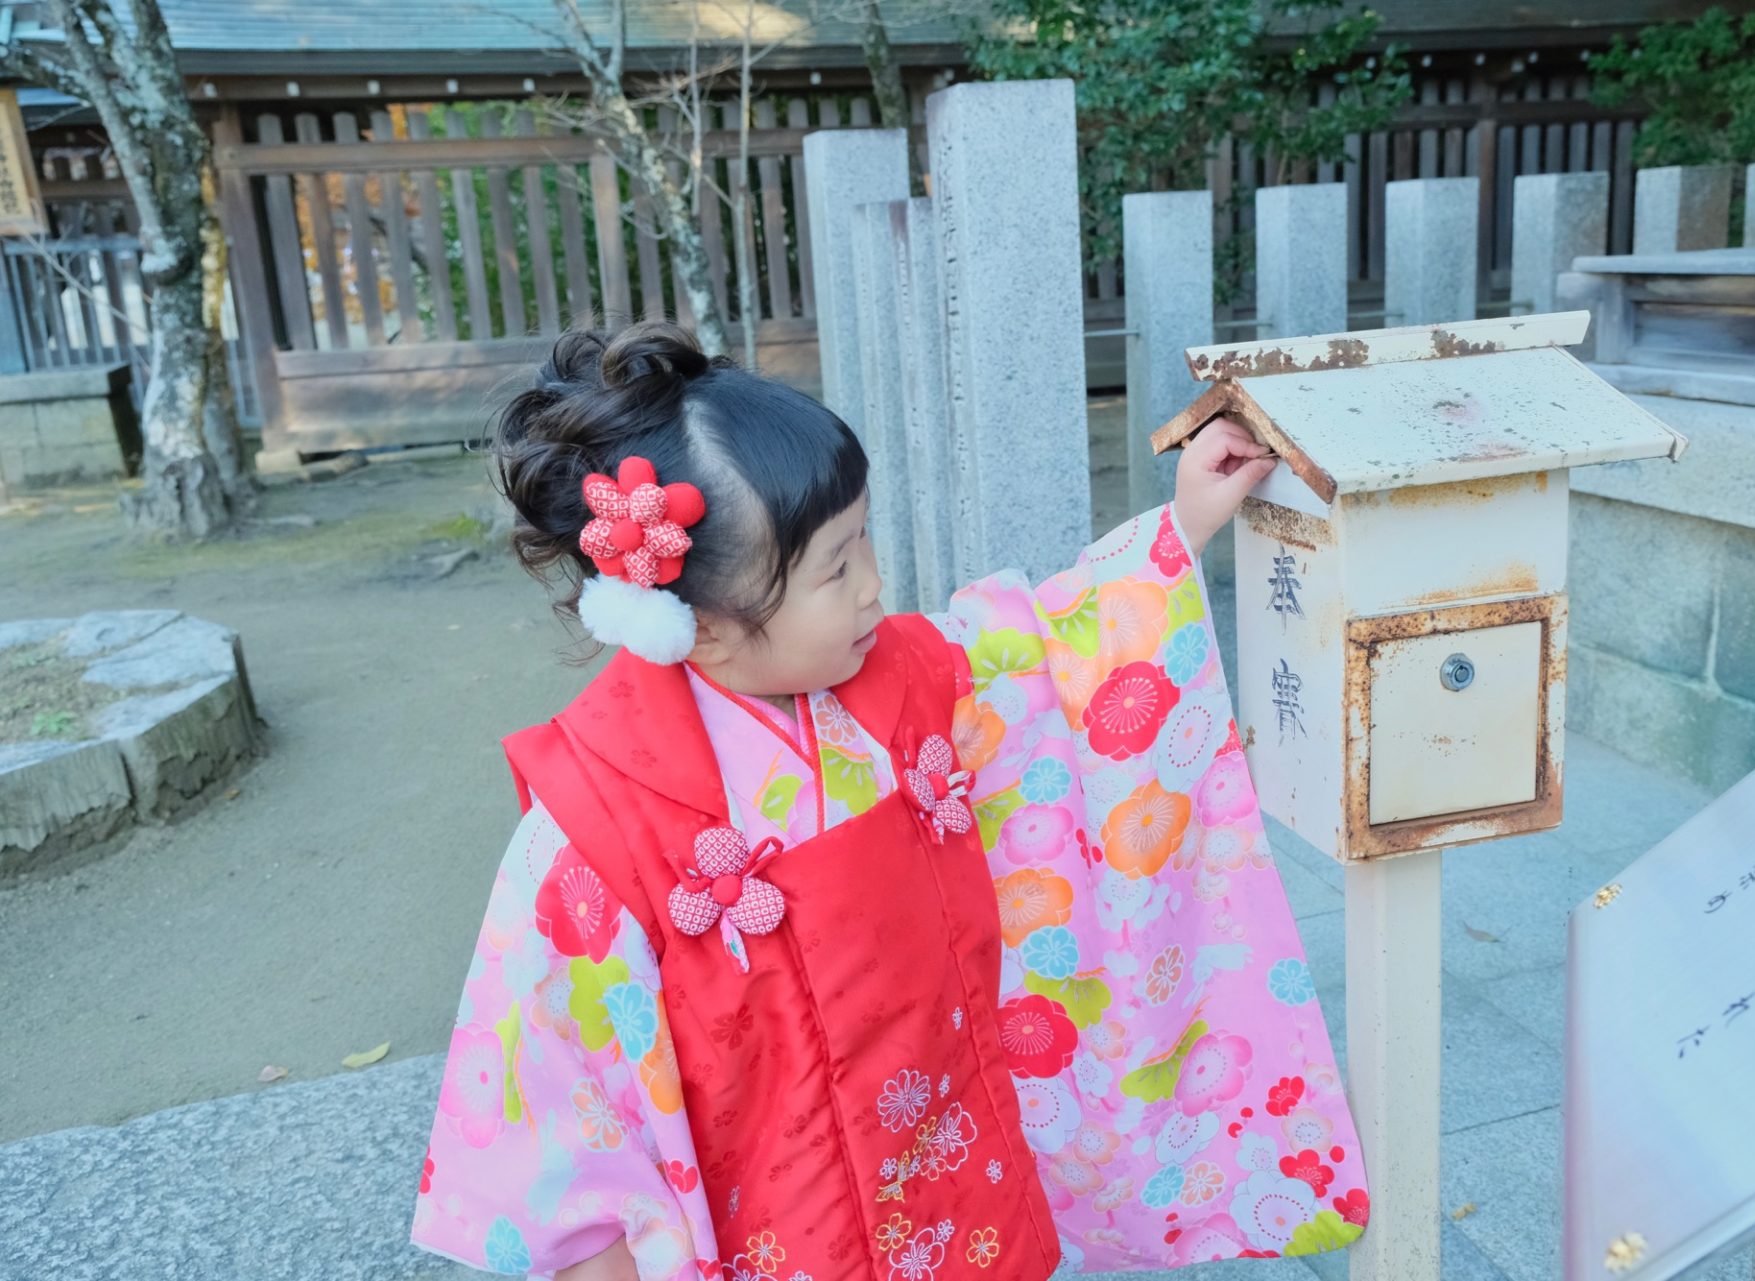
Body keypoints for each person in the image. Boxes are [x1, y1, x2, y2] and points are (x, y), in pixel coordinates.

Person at [411, 323, 1366, 1281]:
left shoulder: (903, 678)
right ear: (698, 623)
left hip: (958, 1181)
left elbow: (1053, 645)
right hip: (783, 1225)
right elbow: (558, 1122)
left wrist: (1185, 522)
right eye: (835, 568)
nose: (874, 586)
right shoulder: (593, 827)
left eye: (863, 538)